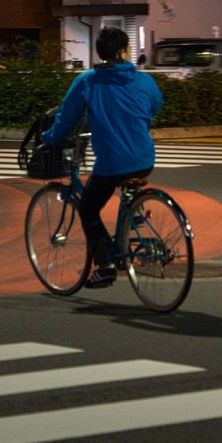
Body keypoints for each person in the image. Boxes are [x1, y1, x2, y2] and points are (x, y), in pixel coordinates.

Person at [42, 27, 164, 288]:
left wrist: (50, 137)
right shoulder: (145, 81)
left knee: (88, 208)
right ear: (124, 51)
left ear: (101, 53)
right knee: (128, 179)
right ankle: (135, 213)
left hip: (112, 163)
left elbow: (66, 118)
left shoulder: (88, 81)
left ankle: (106, 265)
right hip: (145, 159)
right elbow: (155, 104)